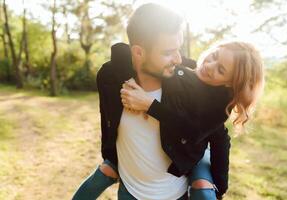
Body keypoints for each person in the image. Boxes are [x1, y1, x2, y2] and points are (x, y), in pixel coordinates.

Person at [73, 3, 189, 200]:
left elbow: (201, 132)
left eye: (178, 49)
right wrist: (112, 159)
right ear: (138, 53)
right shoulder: (109, 78)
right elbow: (108, 124)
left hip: (177, 192)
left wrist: (150, 105)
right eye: (168, 52)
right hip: (130, 192)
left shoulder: (187, 82)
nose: (178, 59)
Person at [120, 40, 265, 199]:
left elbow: (193, 131)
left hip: (184, 162)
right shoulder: (186, 69)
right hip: (139, 163)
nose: (210, 66)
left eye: (221, 70)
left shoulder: (220, 104)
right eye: (214, 55)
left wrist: (149, 105)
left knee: (204, 189)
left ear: (229, 83)